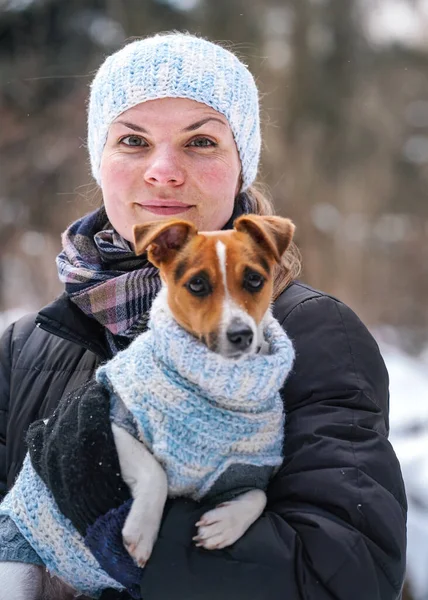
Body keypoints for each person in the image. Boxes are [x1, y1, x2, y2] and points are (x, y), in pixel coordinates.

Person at [0, 32, 406, 600]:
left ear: (241, 164)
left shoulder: (316, 335)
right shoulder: (26, 346)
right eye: (134, 140)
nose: (163, 169)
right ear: (100, 160)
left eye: (201, 142)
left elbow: (347, 574)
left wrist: (123, 524)